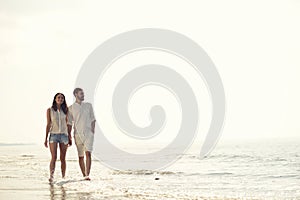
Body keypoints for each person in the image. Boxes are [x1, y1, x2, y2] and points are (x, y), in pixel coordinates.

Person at [67, 88, 96, 181]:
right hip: (77, 134)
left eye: (83, 94)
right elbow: (69, 123)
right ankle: (84, 175)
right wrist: (69, 135)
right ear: (76, 94)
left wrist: (92, 131)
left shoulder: (88, 106)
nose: (83, 95)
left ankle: (87, 174)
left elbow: (93, 119)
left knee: (88, 153)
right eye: (81, 94)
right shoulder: (70, 108)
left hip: (88, 134)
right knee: (81, 156)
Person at [44, 93, 72, 182]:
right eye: (58, 97)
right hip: (53, 135)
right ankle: (51, 176)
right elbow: (48, 124)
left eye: (62, 98)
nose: (60, 99)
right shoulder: (50, 110)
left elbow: (68, 124)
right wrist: (45, 138)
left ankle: (63, 177)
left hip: (64, 135)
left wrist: (70, 137)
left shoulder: (66, 110)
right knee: (54, 157)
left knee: (63, 158)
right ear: (55, 99)